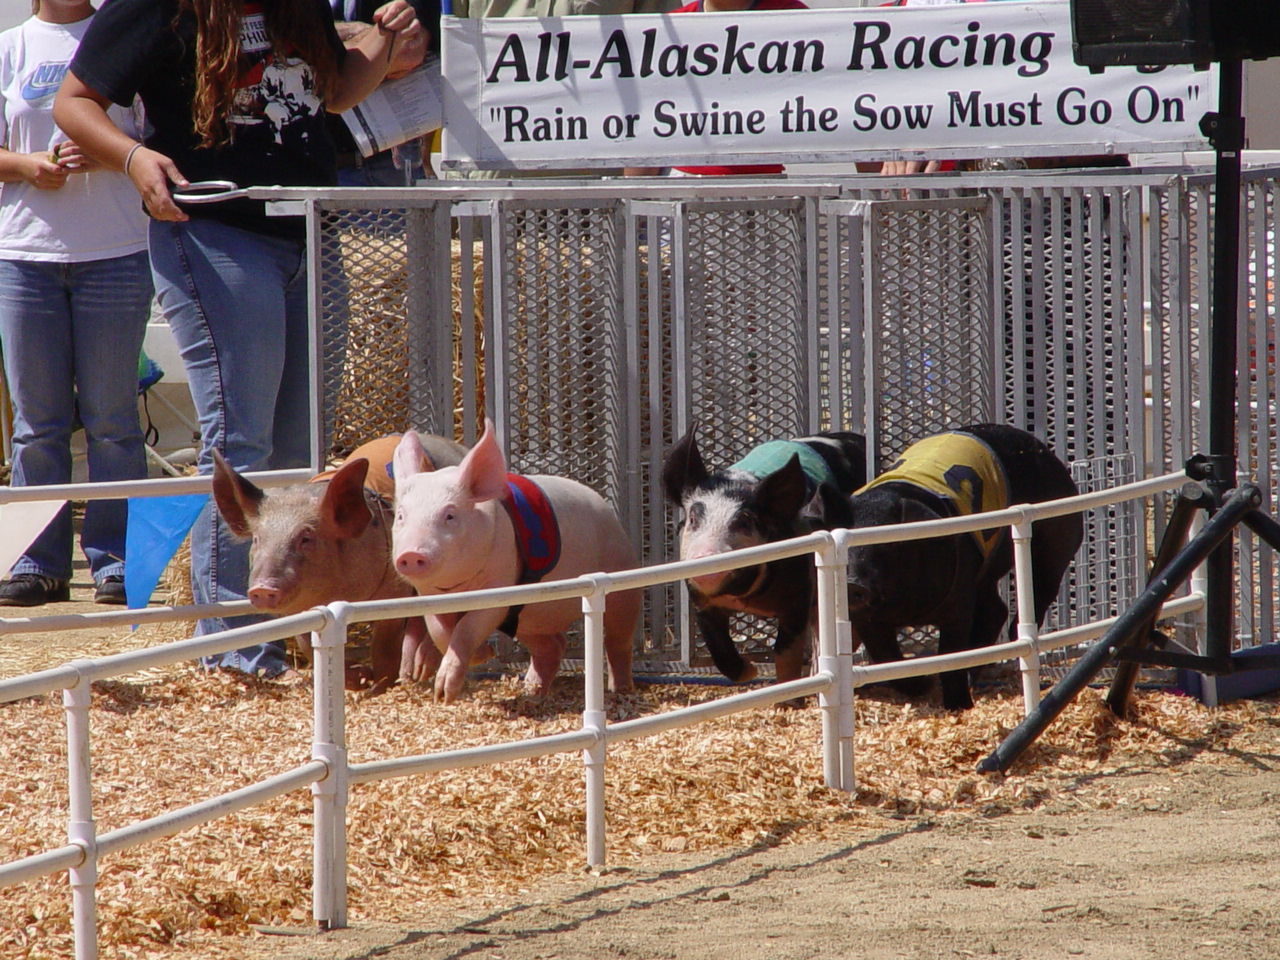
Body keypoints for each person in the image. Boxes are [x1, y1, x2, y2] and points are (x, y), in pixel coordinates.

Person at [53, 0, 420, 678]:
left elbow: (335, 90)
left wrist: (385, 38)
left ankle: (269, 640)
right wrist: (134, 158)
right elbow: (74, 102)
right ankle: (233, 653)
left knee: (296, 447)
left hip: (308, 233)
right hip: (213, 230)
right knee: (240, 444)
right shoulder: (153, 7)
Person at [0, 0, 153, 608]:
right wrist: (26, 166)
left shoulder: (123, 31)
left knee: (114, 420)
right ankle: (36, 561)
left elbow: (157, 133)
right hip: (23, 256)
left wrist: (108, 150)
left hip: (116, 250)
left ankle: (115, 562)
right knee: (37, 426)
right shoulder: (10, 46)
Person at [329, 0, 439, 185]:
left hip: (389, 166)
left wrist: (331, 43)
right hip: (304, 163)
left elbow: (405, 51)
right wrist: (369, 36)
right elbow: (291, 49)